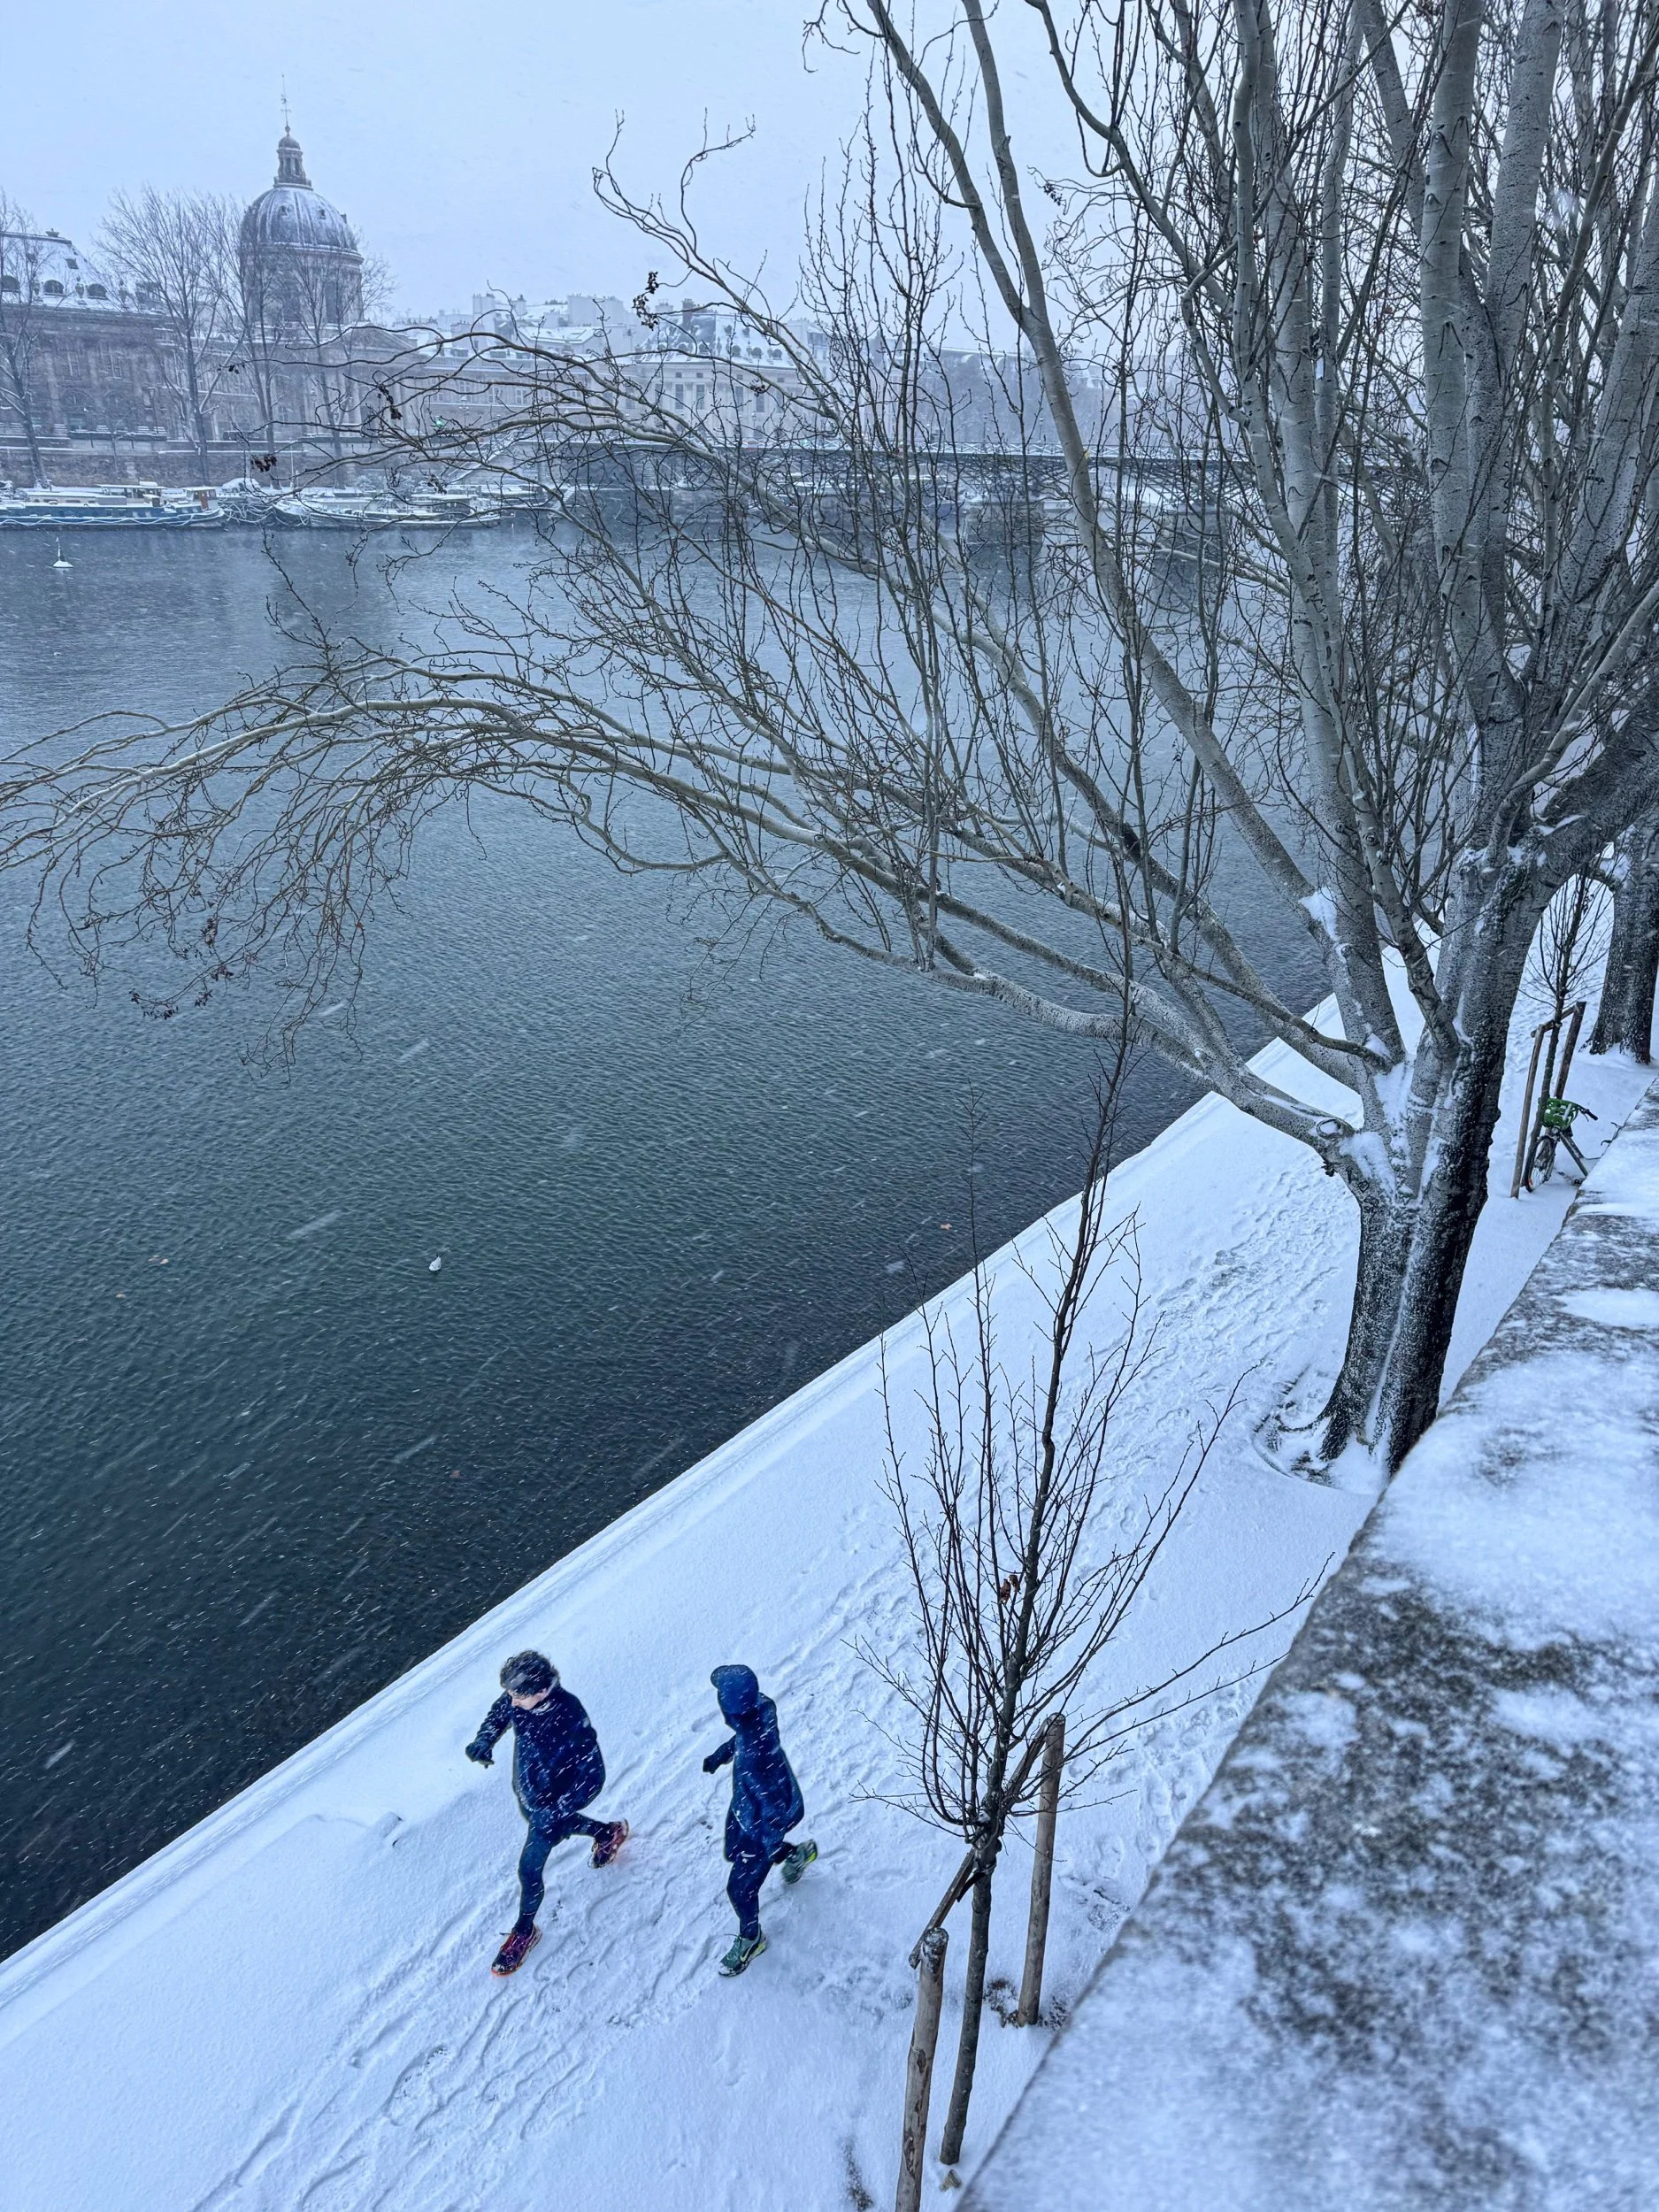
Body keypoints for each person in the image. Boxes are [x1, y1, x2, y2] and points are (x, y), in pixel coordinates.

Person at [466, 1650, 629, 1977]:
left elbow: (593, 1777)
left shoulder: (569, 1717)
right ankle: (606, 1833)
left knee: (529, 1870)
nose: (511, 1702)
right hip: (530, 1795)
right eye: (510, 1694)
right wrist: (485, 1740)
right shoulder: (520, 1699)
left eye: (517, 1696)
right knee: (560, 1827)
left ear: (541, 1692)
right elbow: (501, 1711)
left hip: (553, 1802)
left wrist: (555, 1809)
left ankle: (525, 1932)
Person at [702, 1663, 817, 1976]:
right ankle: (796, 1855)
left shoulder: (754, 1759)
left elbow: (769, 1809)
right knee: (745, 1856)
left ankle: (752, 1939)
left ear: (729, 1712)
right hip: (749, 1813)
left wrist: (769, 1844)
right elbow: (743, 1738)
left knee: (739, 1890)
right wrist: (721, 1756)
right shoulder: (762, 1708)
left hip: (759, 1826)